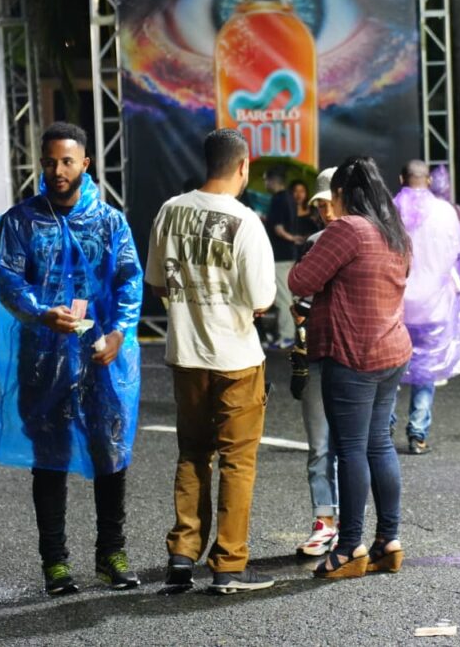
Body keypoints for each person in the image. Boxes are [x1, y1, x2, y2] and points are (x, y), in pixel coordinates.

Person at [0, 121, 143, 596]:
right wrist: (40, 313)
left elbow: (128, 280)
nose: (58, 170)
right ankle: (55, 563)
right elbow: (8, 281)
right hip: (44, 358)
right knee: (50, 460)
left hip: (102, 358)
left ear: (86, 163)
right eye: (51, 161)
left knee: (110, 453)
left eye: (67, 161)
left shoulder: (110, 222)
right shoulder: (20, 222)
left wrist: (119, 332)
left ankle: (111, 556)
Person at [145, 129, 277, 594]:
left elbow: (158, 283)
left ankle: (182, 556)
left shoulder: (170, 210)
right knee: (237, 462)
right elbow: (262, 298)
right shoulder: (246, 223)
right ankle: (229, 564)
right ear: (243, 166)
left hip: (186, 354)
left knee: (192, 454)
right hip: (237, 357)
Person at [288, 156, 411, 579]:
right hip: (390, 350)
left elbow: (300, 281)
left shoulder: (346, 230)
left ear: (342, 194)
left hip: (351, 353)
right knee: (379, 443)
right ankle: (388, 540)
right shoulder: (394, 231)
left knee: (351, 449)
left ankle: (350, 547)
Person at [391, 160, 460, 455]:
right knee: (426, 370)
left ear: (402, 178)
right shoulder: (445, 211)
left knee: (389, 368)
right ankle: (417, 434)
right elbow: (458, 248)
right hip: (434, 307)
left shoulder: (390, 210)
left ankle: (382, 428)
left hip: (397, 304)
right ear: (428, 180)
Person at [289, 167, 340, 557]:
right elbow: (299, 305)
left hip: (351, 356)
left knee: (350, 446)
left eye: (328, 202)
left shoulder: (367, 239)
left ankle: (346, 526)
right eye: (319, 205)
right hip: (324, 353)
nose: (324, 211)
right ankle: (328, 521)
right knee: (323, 444)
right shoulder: (312, 243)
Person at [265, 165, 303, 348]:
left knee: (283, 298)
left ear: (273, 180)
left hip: (280, 255)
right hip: (289, 254)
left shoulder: (278, 199)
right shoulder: (289, 197)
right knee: (288, 296)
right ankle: (289, 335)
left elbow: (279, 229)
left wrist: (290, 237)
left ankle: (287, 336)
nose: (265, 183)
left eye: (266, 180)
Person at [291, 179, 319, 245]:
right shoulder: (286, 211)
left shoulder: (313, 210)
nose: (299, 194)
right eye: (295, 191)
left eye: (302, 191)